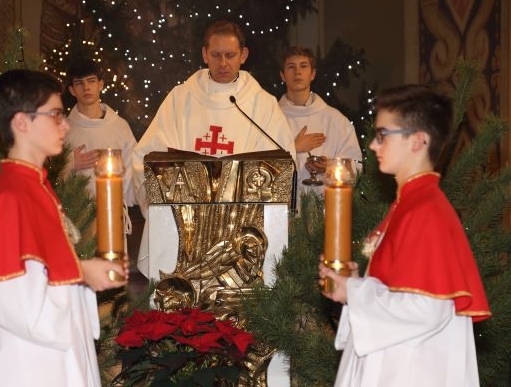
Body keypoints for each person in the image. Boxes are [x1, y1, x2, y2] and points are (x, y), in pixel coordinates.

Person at [0, 69, 128, 387]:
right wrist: (83, 272)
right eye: (55, 115)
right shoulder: (9, 198)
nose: (65, 125)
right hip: (26, 364)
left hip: (47, 357)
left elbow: (45, 273)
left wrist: (89, 275)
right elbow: (12, 301)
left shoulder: (33, 189)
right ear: (21, 122)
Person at [319, 84, 491, 386]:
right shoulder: (410, 204)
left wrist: (354, 293)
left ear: (418, 141)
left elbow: (428, 309)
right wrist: (355, 284)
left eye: (383, 134)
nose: (373, 145)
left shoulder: (427, 211)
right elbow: (401, 292)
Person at [132, 20, 296, 276]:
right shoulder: (180, 99)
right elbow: (146, 155)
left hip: (242, 221)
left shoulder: (262, 104)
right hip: (185, 221)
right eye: (216, 55)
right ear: (204, 54)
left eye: (230, 55)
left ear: (243, 55)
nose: (223, 63)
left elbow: (283, 161)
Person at [279, 46, 362, 197]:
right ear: (283, 76)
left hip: (324, 204)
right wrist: (294, 147)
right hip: (283, 206)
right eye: (291, 67)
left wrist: (330, 166)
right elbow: (258, 165)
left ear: (313, 74)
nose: (297, 72)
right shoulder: (271, 118)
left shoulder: (336, 120)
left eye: (303, 66)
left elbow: (356, 167)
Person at [65, 59, 137, 205]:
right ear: (72, 90)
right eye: (79, 83)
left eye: (91, 81)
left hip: (113, 208)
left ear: (101, 84)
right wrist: (69, 165)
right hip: (75, 212)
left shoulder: (120, 126)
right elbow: (48, 176)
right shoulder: (63, 129)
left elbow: (133, 173)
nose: (86, 87)